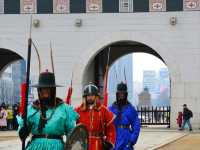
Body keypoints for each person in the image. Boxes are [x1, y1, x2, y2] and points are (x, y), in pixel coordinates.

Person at [17, 71, 79, 150]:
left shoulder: (64, 109)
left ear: (53, 90)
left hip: (57, 147)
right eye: (43, 88)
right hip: (35, 147)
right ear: (39, 90)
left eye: (48, 88)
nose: (45, 91)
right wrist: (22, 131)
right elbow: (22, 130)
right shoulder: (32, 109)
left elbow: (72, 134)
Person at [75, 83, 116, 150]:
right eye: (88, 95)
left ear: (96, 96)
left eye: (92, 95)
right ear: (85, 97)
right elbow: (72, 127)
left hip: (98, 144)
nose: (90, 97)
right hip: (83, 144)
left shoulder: (103, 110)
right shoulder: (78, 110)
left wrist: (109, 142)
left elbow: (110, 128)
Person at [109, 82, 140, 150]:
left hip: (126, 138)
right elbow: (106, 124)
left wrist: (131, 141)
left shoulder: (130, 109)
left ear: (126, 94)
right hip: (114, 137)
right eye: (120, 93)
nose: (121, 96)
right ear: (117, 94)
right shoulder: (111, 108)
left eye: (123, 94)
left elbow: (136, 126)